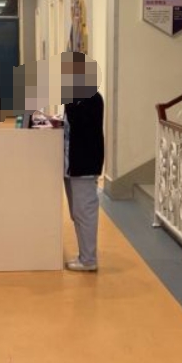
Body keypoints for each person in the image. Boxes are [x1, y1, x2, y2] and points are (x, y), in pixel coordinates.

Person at [63, 91, 105, 272]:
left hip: (84, 165)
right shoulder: (75, 99)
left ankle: (88, 260)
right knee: (77, 213)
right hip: (73, 165)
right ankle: (84, 255)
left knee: (85, 213)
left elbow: (79, 126)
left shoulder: (91, 99)